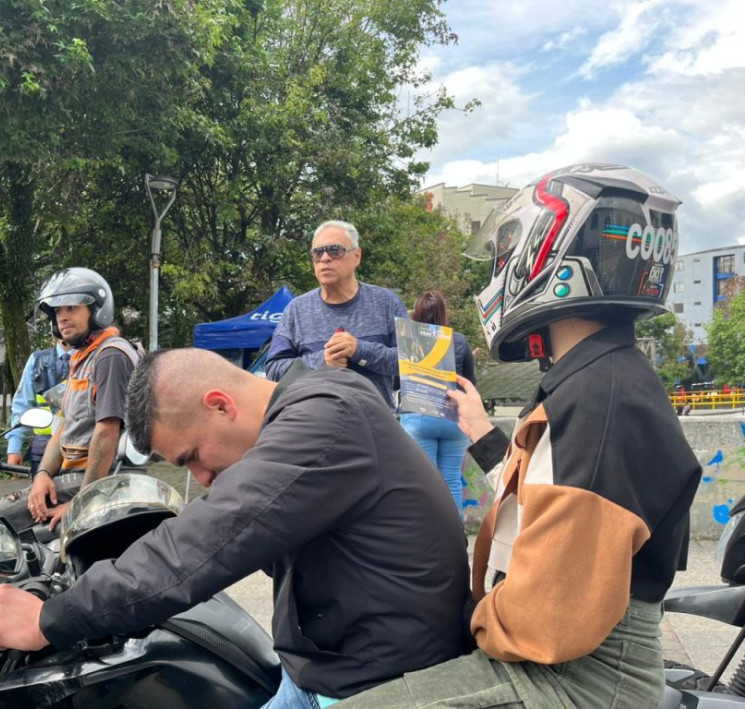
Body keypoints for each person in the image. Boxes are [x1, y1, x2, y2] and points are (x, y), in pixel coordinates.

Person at [335, 163, 703, 708]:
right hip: (565, 657)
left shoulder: (602, 399)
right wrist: (483, 433)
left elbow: (548, 616)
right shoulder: (595, 378)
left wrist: (466, 616)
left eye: (505, 255)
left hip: (577, 679)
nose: (497, 273)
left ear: (545, 256)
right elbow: (543, 495)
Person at [0, 347, 471, 706]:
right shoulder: (315, 410)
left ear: (220, 405)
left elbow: (203, 542)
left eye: (192, 458)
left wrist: (51, 619)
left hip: (375, 686)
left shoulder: (324, 421)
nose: (202, 478)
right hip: (328, 668)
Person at [0, 268, 138, 532]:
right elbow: (63, 428)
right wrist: (42, 475)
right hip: (73, 476)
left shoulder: (110, 356)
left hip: (100, 481)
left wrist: (82, 503)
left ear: (96, 310)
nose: (63, 317)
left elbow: (106, 432)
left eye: (71, 307)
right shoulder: (83, 358)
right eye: (57, 311)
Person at [265, 220, 409, 408]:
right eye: (318, 253)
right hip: (313, 427)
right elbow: (273, 370)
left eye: (334, 250)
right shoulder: (296, 310)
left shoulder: (387, 303)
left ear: (356, 256)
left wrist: (360, 350)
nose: (325, 258)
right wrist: (322, 361)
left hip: (374, 427)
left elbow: (412, 363)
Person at [399, 289, 476, 517]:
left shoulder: (408, 342)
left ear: (417, 313)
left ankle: (427, 542)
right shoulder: (459, 341)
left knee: (426, 483)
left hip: (419, 417)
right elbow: (470, 383)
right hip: (454, 419)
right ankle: (455, 541)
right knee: (451, 480)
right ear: (443, 313)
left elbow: (397, 380)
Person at [5, 339, 73, 477]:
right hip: (42, 450)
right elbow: (23, 404)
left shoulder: (95, 358)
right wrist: (14, 448)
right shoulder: (37, 361)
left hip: (81, 450)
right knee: (42, 497)